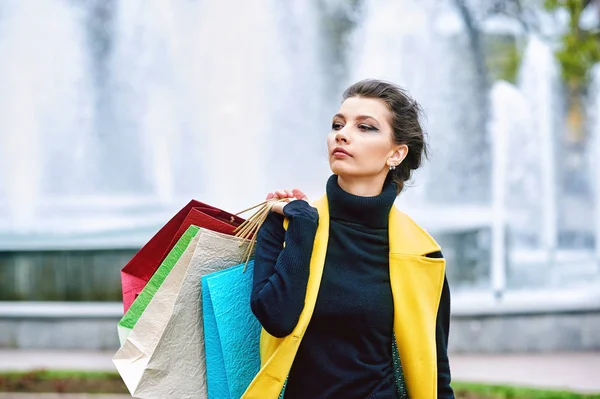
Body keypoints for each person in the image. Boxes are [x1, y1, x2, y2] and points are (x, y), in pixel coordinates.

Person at [243, 79, 454, 399]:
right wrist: (302, 224)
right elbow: (277, 319)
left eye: (365, 127)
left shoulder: (423, 254)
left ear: (396, 154)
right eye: (337, 124)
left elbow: (436, 373)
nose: (342, 134)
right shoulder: (287, 225)